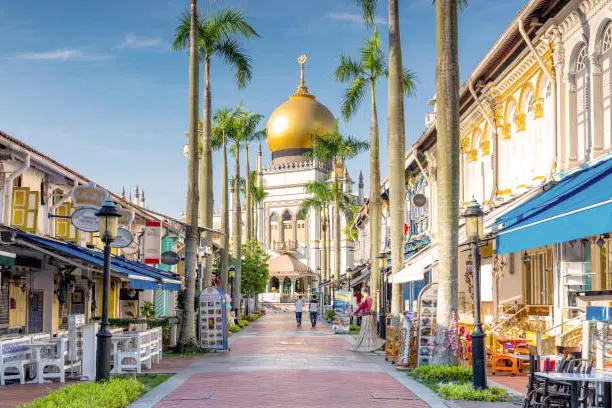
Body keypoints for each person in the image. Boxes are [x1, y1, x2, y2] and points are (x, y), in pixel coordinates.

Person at [350, 287, 385, 352]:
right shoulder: (370, 298)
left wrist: (355, 312)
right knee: (369, 331)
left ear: (363, 292)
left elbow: (361, 307)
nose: (361, 293)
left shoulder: (365, 299)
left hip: (365, 316)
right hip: (369, 315)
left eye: (361, 292)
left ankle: (366, 346)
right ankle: (370, 346)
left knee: (365, 331)